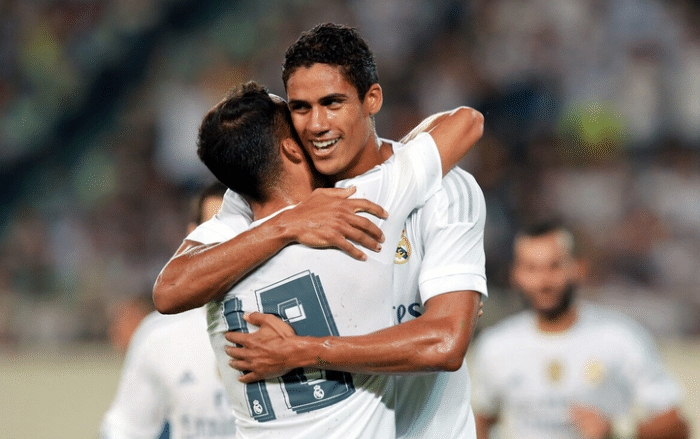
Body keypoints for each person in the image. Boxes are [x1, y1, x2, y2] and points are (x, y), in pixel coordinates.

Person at [153, 23, 487, 439]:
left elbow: (445, 342)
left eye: (332, 103)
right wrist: (289, 224)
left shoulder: (442, 189)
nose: (316, 124)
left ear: (372, 99)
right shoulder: (255, 197)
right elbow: (172, 288)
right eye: (300, 107)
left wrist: (304, 351)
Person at [470, 220, 690, 439]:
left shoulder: (620, 338)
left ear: (579, 268)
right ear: (515, 275)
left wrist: (617, 432)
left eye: (554, 266)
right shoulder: (496, 345)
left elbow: (677, 425)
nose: (543, 281)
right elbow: (480, 420)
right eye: (531, 268)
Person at [100, 182, 237, 439]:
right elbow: (126, 428)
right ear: (194, 236)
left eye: (242, 231)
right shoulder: (160, 336)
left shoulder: (292, 319)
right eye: (216, 230)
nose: (230, 244)